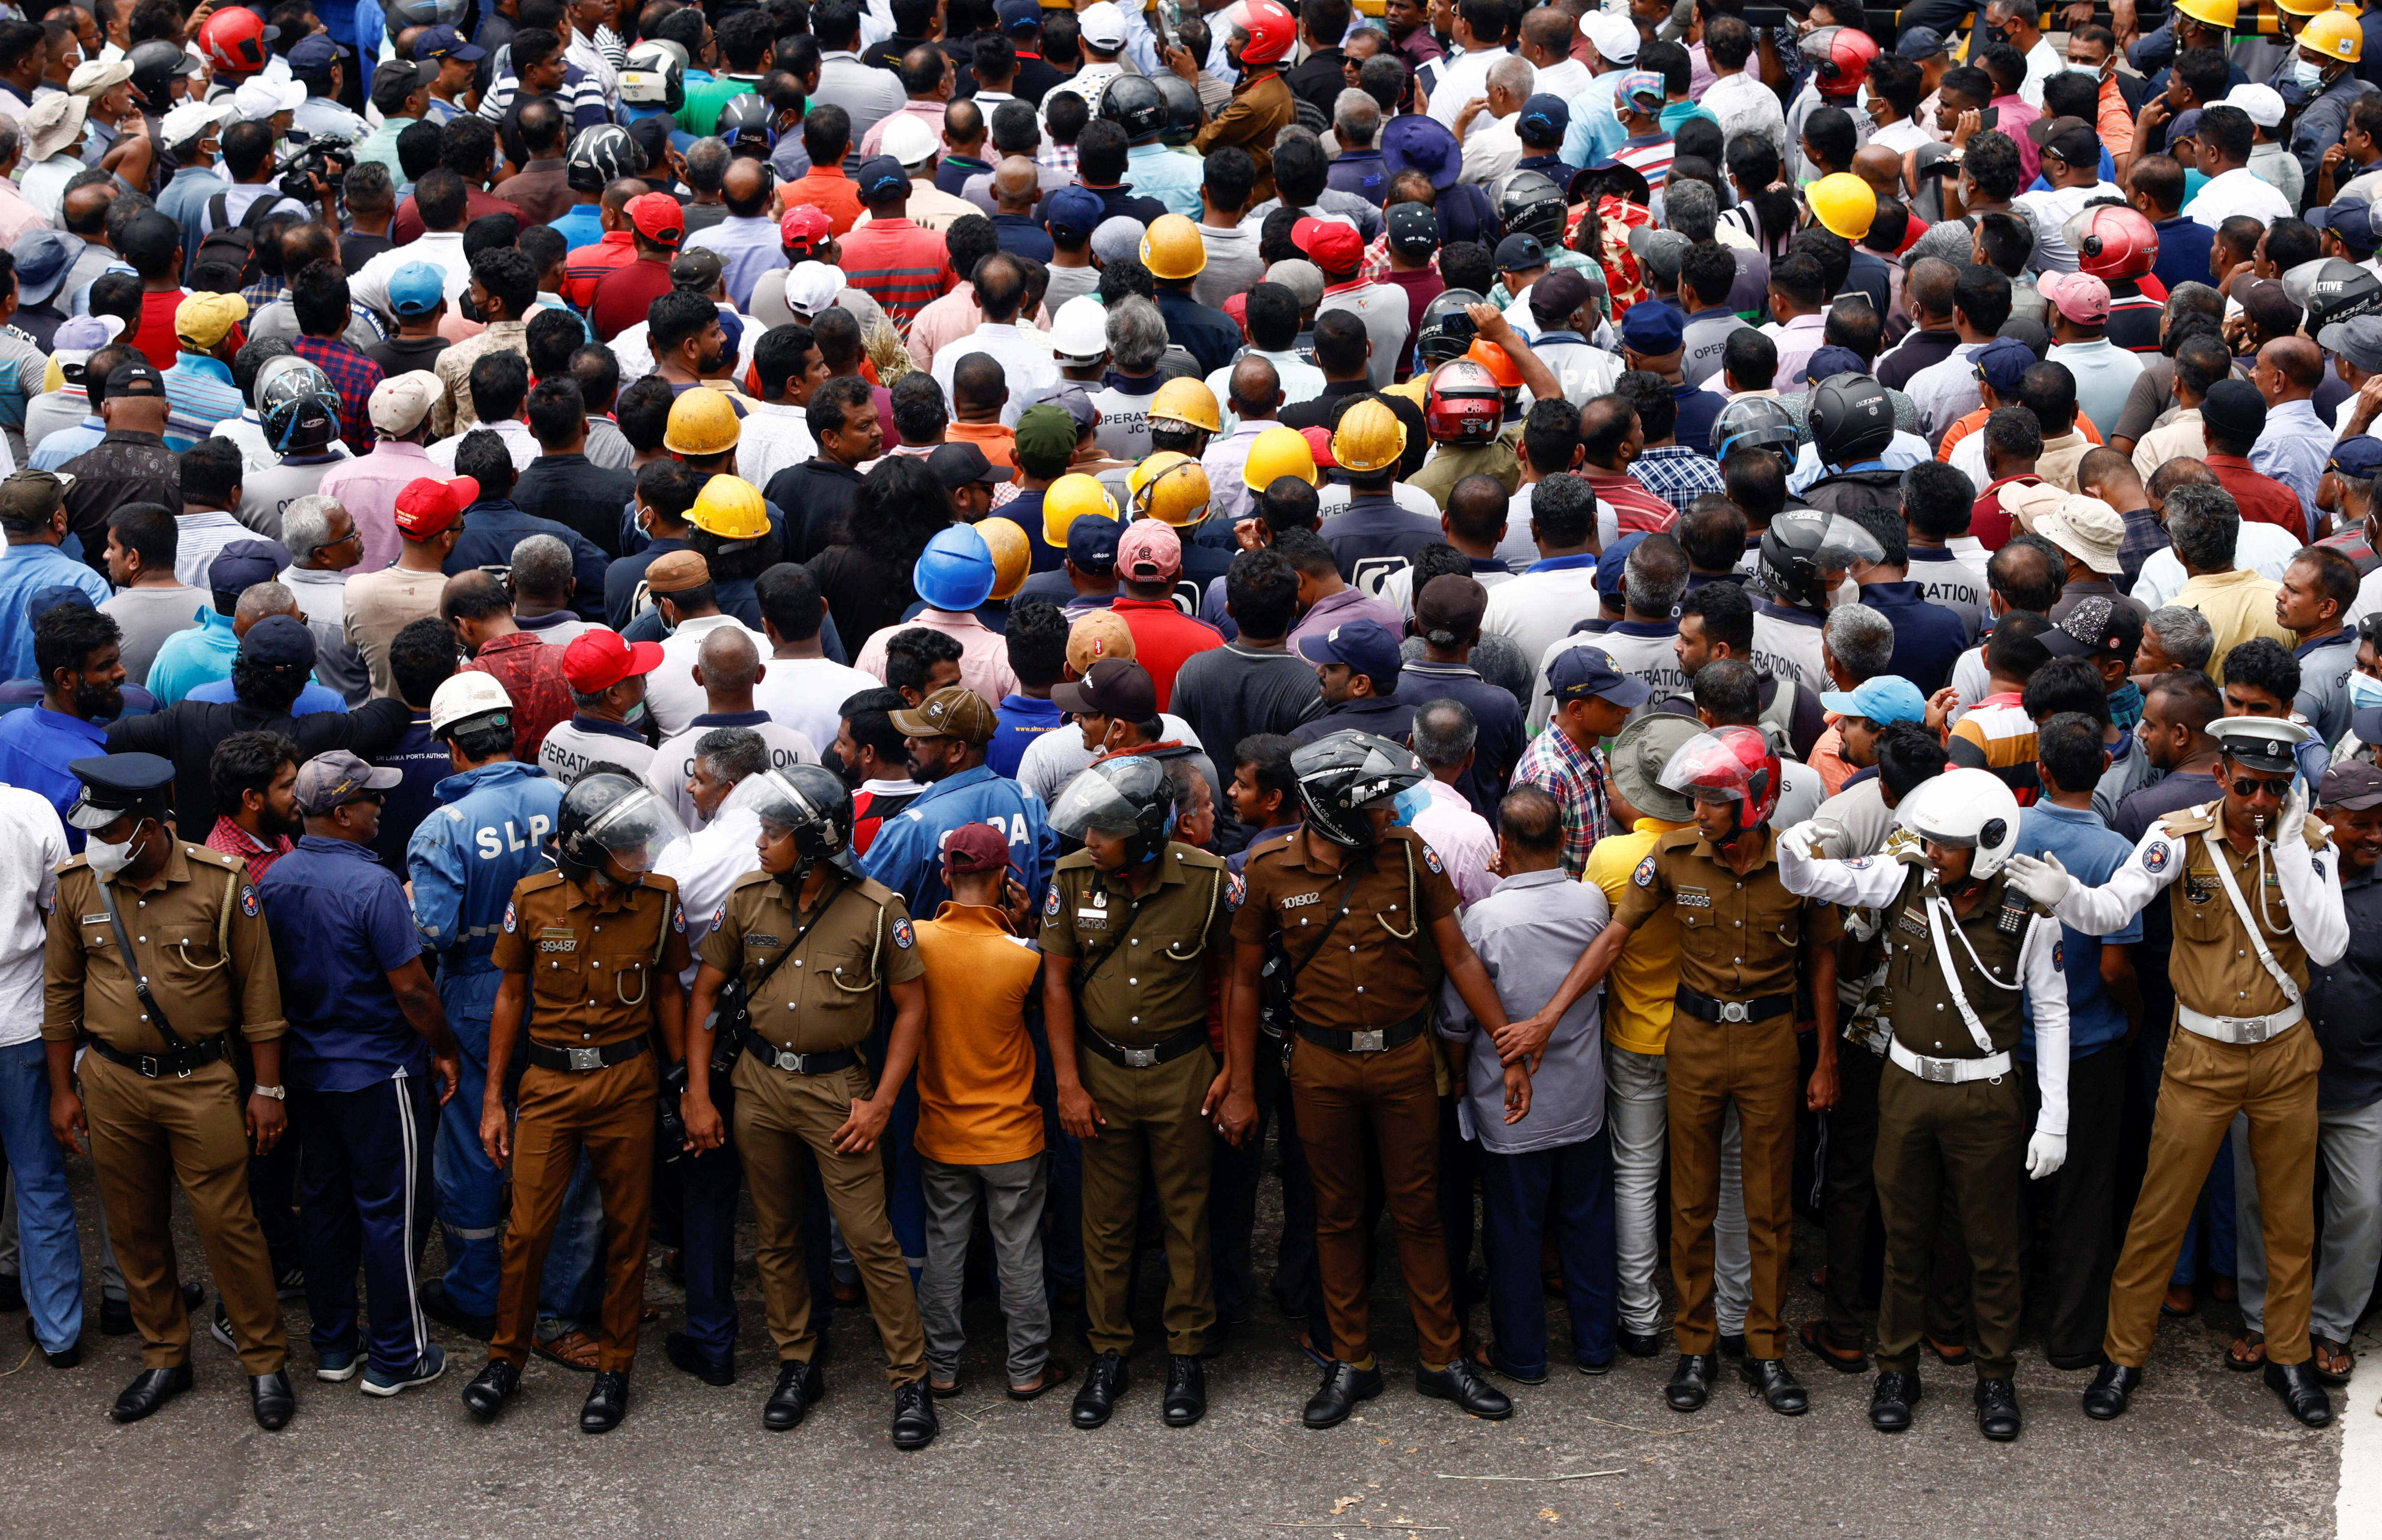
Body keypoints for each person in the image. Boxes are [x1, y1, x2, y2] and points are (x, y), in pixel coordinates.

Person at [2005, 716, 2346, 1429]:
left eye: (2278, 789)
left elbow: (2328, 945)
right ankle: (2124, 1355)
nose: (2261, 802)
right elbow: (2110, 909)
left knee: (2289, 1219)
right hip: (2203, 1053)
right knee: (2161, 1209)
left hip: (2284, 1051)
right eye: (2249, 786)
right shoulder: (2177, 837)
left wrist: (2287, 845)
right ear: (2221, 776)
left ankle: (2288, 1354)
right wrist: (2065, 894)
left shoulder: (2308, 843)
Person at [1506, 726, 1841, 1417]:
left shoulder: (1799, 867)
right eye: (1696, 799)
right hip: (1690, 1041)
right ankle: (1695, 1349)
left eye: (1714, 801)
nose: (1699, 812)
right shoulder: (1672, 857)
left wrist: (1828, 1059)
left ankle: (1767, 1348)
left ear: (1754, 802)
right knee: (1689, 1202)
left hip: (1771, 1043)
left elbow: (1824, 961)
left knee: (1768, 1204)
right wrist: (1547, 1017)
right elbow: (1614, 937)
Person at [1220, 729, 1515, 1428]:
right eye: (1379, 805)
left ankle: (1443, 1361)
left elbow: (1460, 957)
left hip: (1404, 1062)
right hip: (1319, 1068)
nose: (1394, 813)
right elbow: (1240, 982)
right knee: (1337, 1214)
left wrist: (1506, 1039)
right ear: (1340, 812)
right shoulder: (1269, 870)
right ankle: (1351, 1361)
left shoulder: (1412, 859)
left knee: (1423, 1213)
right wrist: (1238, 1082)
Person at [1777, 769, 2070, 1441]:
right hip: (1906, 1087)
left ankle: (1995, 1376)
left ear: (1987, 847)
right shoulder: (1906, 878)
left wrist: (2053, 1120)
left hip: (1986, 1093)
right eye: (1930, 839)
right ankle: (1897, 1367)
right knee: (1903, 1237)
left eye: (1946, 844)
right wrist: (1796, 851)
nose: (1930, 850)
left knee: (1992, 1245)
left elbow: (2052, 1015)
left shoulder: (2028, 911)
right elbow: (1818, 883)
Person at [677, 764, 938, 1446]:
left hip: (838, 1094)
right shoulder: (748, 898)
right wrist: (699, 1093)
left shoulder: (880, 911)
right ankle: (797, 1362)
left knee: (869, 1239)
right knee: (776, 1232)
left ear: (816, 840)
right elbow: (705, 993)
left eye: (774, 831)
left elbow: (912, 1009)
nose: (760, 841)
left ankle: (910, 1379)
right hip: (759, 1088)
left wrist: (880, 1103)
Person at [41, 752, 295, 1429]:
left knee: (229, 1226)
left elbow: (260, 996)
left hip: (202, 1082)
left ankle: (264, 1361)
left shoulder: (221, 883)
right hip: (112, 1083)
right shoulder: (78, 885)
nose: (95, 844)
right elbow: (61, 994)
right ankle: (164, 1355)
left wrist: (267, 1087)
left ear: (150, 828)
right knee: (133, 1225)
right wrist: (63, 1091)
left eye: (110, 829)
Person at [459, 770, 692, 1436]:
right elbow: (509, 995)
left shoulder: (659, 900)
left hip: (627, 1085)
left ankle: (615, 1367)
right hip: (551, 1087)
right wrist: (495, 1101)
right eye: (631, 849)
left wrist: (682, 1084)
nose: (645, 859)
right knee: (528, 1229)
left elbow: (670, 991)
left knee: (626, 1232)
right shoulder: (534, 900)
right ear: (592, 852)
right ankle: (506, 1359)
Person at [254, 750, 461, 1394]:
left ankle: (335, 1345)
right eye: (370, 799)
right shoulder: (373, 886)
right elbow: (416, 994)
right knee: (393, 1212)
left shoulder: (276, 881)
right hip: (378, 1073)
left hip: (309, 1072)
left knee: (325, 1207)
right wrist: (446, 1048)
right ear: (343, 814)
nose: (381, 807)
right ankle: (398, 1356)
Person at [1042, 754, 1234, 1429]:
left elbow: (1236, 979)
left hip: (1183, 1070)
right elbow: (1057, 982)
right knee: (1106, 1218)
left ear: (1149, 832)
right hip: (1101, 1073)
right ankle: (1108, 1351)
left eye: (1105, 830)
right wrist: (1067, 1083)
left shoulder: (1209, 882)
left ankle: (1186, 1352)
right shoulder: (1071, 880)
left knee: (1186, 1215)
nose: (1089, 841)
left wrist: (1233, 1073)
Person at [1443, 783, 1616, 1378]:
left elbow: (1457, 1017)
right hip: (1581, 1096)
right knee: (1588, 1223)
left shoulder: (1485, 919)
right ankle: (1596, 1345)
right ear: (1566, 839)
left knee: (1514, 1234)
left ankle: (1522, 1353)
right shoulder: (1592, 902)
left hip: (1510, 1103)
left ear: (1504, 843)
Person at [906, 819, 1056, 1401]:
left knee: (945, 1248)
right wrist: (1024, 927)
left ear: (947, 874)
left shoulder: (917, 941)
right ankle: (1027, 1369)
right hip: (1013, 1134)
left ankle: (941, 1367)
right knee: (1019, 1250)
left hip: (942, 1131)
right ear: (1002, 879)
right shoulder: (1023, 957)